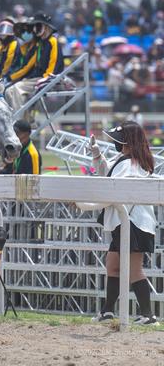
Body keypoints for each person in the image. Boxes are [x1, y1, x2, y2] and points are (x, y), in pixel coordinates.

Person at [86, 122, 159, 325]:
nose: (115, 143)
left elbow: (115, 189)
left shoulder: (132, 164)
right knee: (112, 265)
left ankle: (149, 316)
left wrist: (88, 204)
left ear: (127, 141)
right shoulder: (127, 160)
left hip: (133, 223)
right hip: (126, 222)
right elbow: (108, 174)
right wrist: (96, 154)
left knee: (134, 269)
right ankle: (107, 311)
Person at [3, 13, 63, 112]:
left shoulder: (53, 41)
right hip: (35, 78)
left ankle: (17, 122)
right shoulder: (40, 43)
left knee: (16, 89)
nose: (35, 29)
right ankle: (27, 123)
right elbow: (29, 65)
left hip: (46, 78)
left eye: (38, 25)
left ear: (46, 27)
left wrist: (46, 79)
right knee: (9, 91)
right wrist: (12, 77)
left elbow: (54, 64)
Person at [0, 18, 21, 83]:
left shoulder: (13, 44)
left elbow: (8, 64)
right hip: (5, 75)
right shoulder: (4, 45)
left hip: (11, 76)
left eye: (4, 34)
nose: (2, 35)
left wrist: (1, 78)